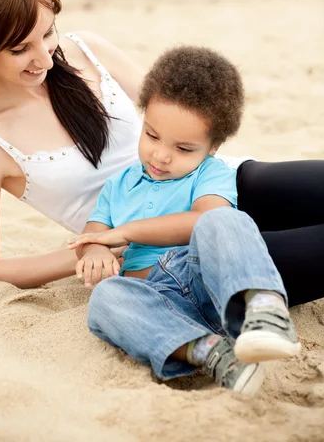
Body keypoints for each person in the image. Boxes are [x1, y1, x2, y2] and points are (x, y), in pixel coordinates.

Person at [0, 0, 323, 303]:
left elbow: (175, 111)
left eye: (47, 33)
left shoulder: (87, 50)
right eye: (19, 49)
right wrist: (87, 248)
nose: (45, 59)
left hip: (223, 186)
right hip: (170, 255)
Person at [68, 46, 301, 395]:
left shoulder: (210, 174)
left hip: (205, 279)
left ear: (213, 147)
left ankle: (265, 311)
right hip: (155, 297)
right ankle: (209, 352)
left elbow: (203, 220)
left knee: (221, 220)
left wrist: (127, 232)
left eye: (184, 148)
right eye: (151, 136)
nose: (161, 155)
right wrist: (94, 252)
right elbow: (93, 235)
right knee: (105, 299)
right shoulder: (119, 184)